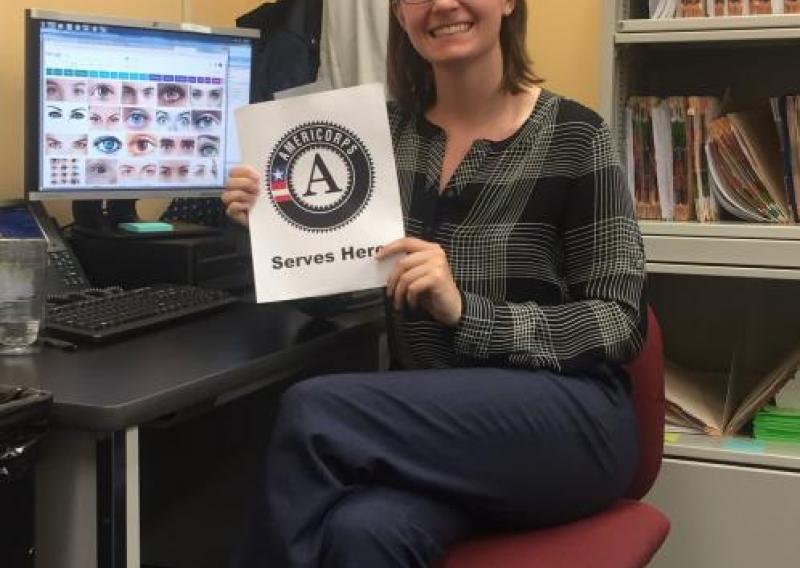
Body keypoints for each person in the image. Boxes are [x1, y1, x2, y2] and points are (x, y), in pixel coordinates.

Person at [223, 1, 647, 566]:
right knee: (361, 533)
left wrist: (467, 311)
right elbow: (335, 289)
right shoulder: (383, 138)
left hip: (567, 423)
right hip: (433, 435)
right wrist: (276, 231)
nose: (442, 4)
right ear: (401, 15)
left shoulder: (576, 135)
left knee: (314, 410)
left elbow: (620, 322)